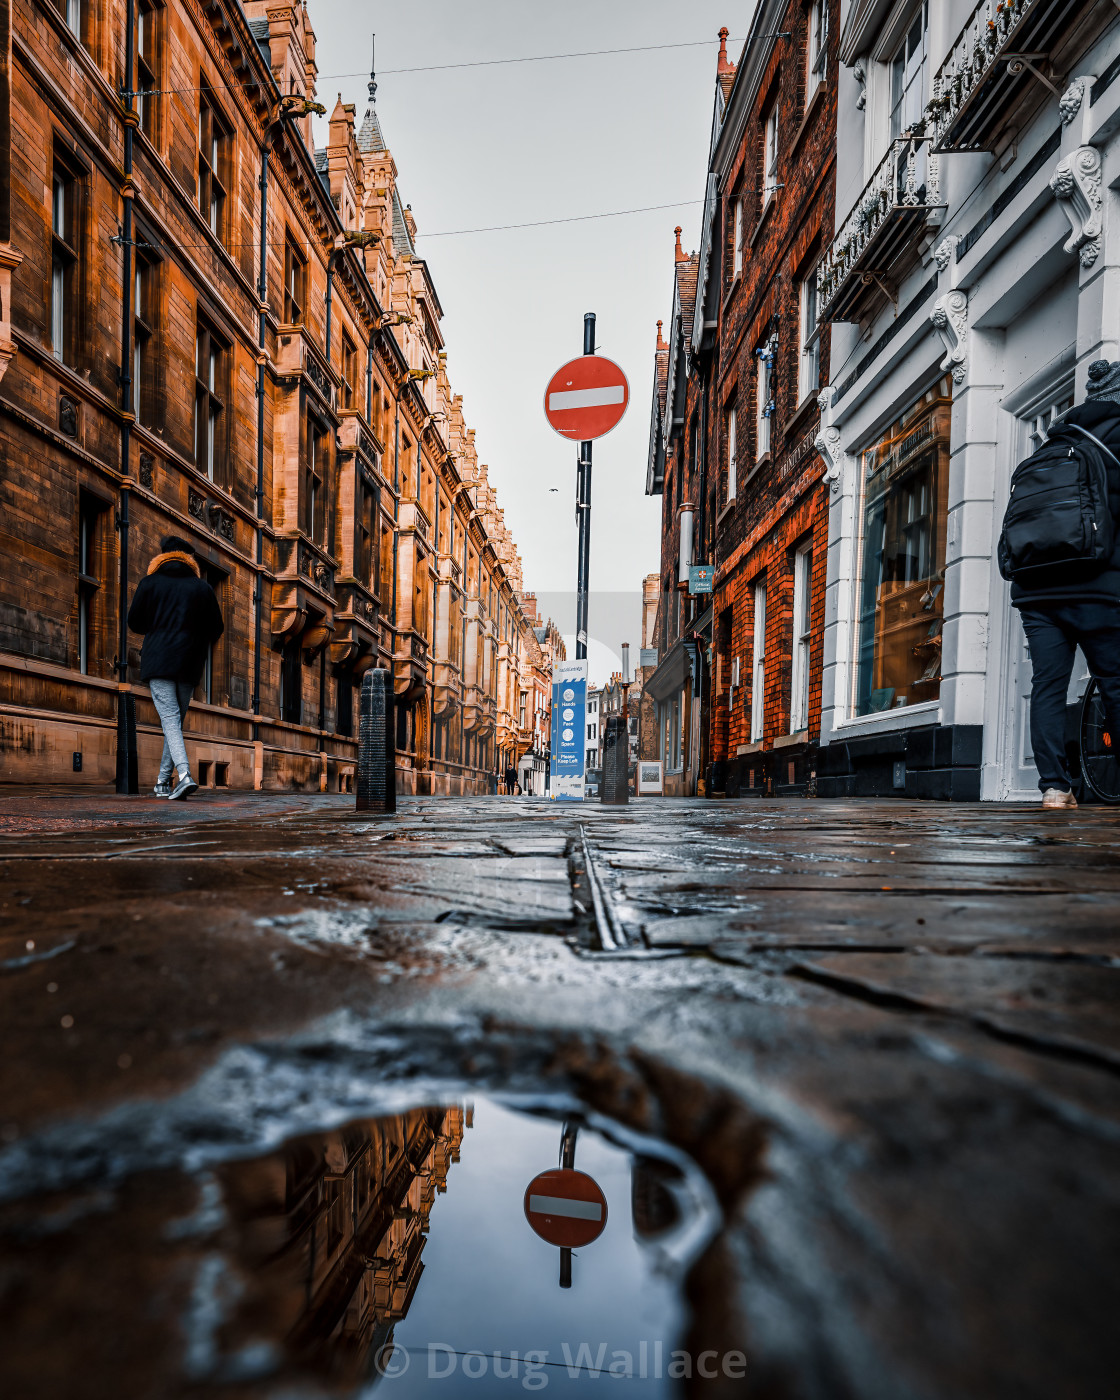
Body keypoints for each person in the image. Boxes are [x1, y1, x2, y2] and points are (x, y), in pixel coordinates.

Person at [1012, 360, 1120, 808]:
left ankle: (1055, 788)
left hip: (1036, 591)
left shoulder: (1046, 447)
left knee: (1048, 686)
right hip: (1098, 587)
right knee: (1114, 682)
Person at [127, 535, 224, 800]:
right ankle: (161, 782)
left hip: (158, 659)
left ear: (163, 556)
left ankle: (184, 776)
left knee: (170, 719)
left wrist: (158, 623)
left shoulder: (149, 584)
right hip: (189, 661)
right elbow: (217, 628)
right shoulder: (202, 588)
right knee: (175, 721)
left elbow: (134, 623)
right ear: (189, 559)